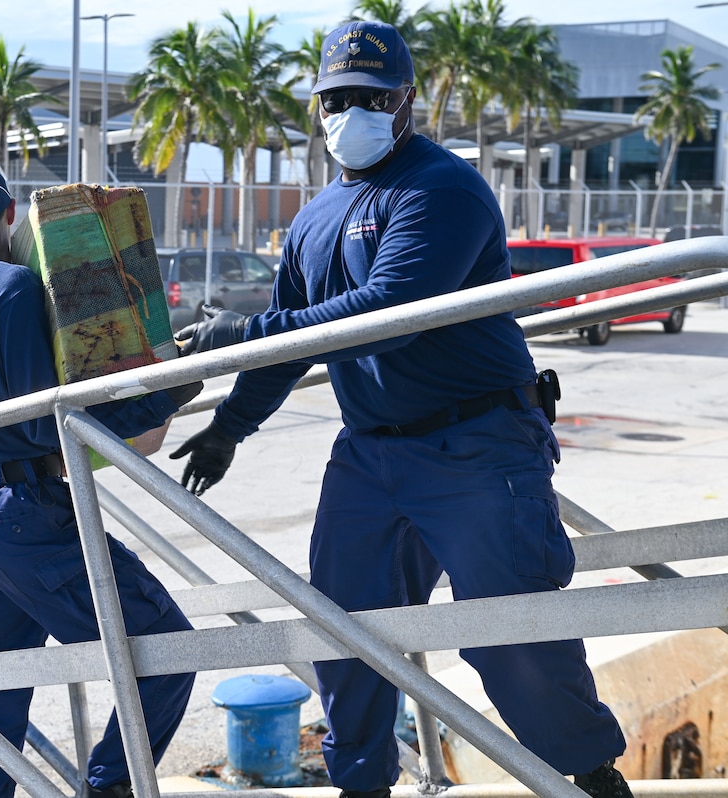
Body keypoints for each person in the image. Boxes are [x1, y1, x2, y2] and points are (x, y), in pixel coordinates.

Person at [171, 20, 633, 798]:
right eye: (336, 98)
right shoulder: (313, 219)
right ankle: (363, 786)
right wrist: (227, 430)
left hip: (477, 443)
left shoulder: (441, 189)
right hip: (369, 456)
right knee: (346, 634)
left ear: (408, 99)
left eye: (371, 97)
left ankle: (589, 777)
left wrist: (240, 329)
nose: (351, 112)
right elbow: (289, 344)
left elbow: (393, 307)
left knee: (510, 635)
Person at [0, 159, 200, 798]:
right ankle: (108, 787)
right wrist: (168, 391)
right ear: (11, 215)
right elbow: (50, 422)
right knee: (166, 651)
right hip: (21, 512)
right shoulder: (15, 289)